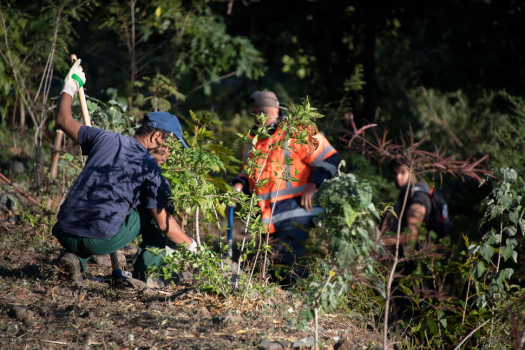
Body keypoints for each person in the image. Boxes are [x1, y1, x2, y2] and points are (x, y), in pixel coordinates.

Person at [53, 60, 196, 284]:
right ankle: (147, 274)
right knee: (154, 210)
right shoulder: (151, 169)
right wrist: (195, 249)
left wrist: (69, 86)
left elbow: (62, 119)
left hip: (64, 230)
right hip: (100, 241)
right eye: (171, 146)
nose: (170, 153)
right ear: (157, 137)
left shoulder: (103, 137)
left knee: (87, 233)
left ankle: (74, 259)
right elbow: (164, 224)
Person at [232, 91, 339, 267]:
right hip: (269, 220)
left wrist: (312, 186)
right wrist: (238, 183)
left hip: (298, 213)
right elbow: (248, 174)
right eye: (255, 112)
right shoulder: (252, 143)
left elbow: (329, 158)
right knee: (274, 268)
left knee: (288, 267)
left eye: (263, 112)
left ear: (276, 110)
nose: (259, 116)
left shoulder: (296, 133)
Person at [386, 159, 432, 246]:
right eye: (396, 173)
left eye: (402, 172)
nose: (398, 177)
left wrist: (383, 243)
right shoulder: (407, 193)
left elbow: (411, 234)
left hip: (414, 255)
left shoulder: (417, 198)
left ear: (413, 171)